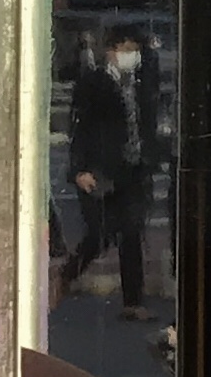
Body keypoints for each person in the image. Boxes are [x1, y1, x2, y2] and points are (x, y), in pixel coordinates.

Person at [61, 21, 154, 319]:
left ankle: (132, 302)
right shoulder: (93, 83)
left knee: (131, 232)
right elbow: (80, 128)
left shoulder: (139, 83)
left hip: (133, 169)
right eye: (126, 50)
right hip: (102, 169)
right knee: (100, 233)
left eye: (135, 50)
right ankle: (68, 273)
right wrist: (79, 170)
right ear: (111, 51)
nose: (131, 56)